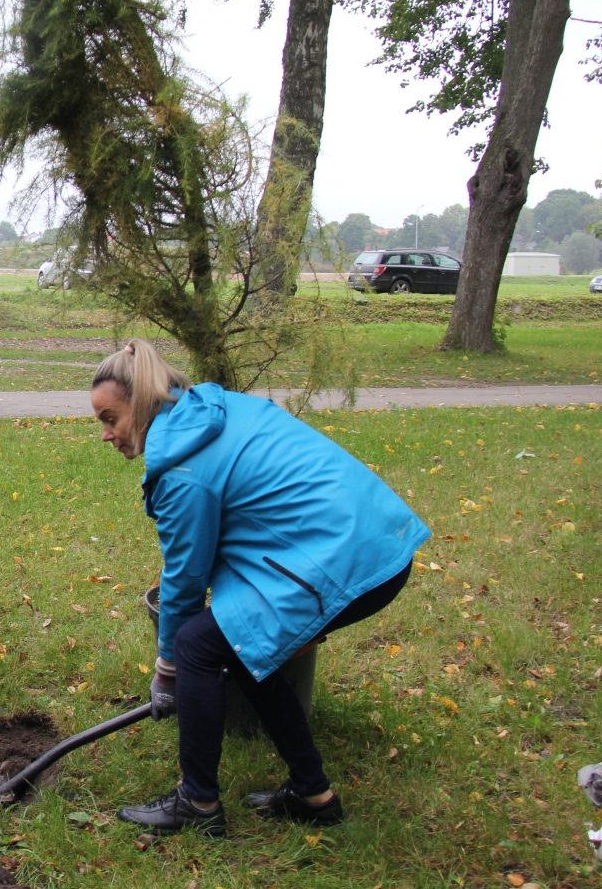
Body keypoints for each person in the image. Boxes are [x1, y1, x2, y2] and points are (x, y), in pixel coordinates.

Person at [89, 339, 430, 836]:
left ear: (141, 406)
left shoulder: (183, 470)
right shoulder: (211, 410)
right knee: (244, 641)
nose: (105, 433)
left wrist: (168, 669)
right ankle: (313, 794)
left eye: (109, 417)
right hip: (368, 539)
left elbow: (184, 578)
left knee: (197, 646)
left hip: (345, 558)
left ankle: (198, 803)